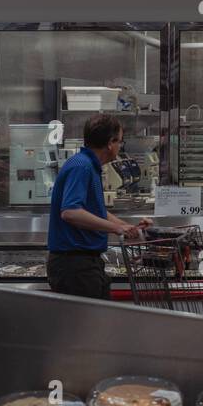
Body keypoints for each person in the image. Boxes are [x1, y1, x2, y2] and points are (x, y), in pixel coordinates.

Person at [46, 113, 151, 300]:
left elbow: (97, 212)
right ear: (110, 143)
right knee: (86, 327)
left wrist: (127, 228)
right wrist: (117, 228)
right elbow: (70, 212)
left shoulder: (89, 166)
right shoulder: (82, 166)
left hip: (86, 264)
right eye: (120, 141)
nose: (120, 146)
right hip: (74, 267)